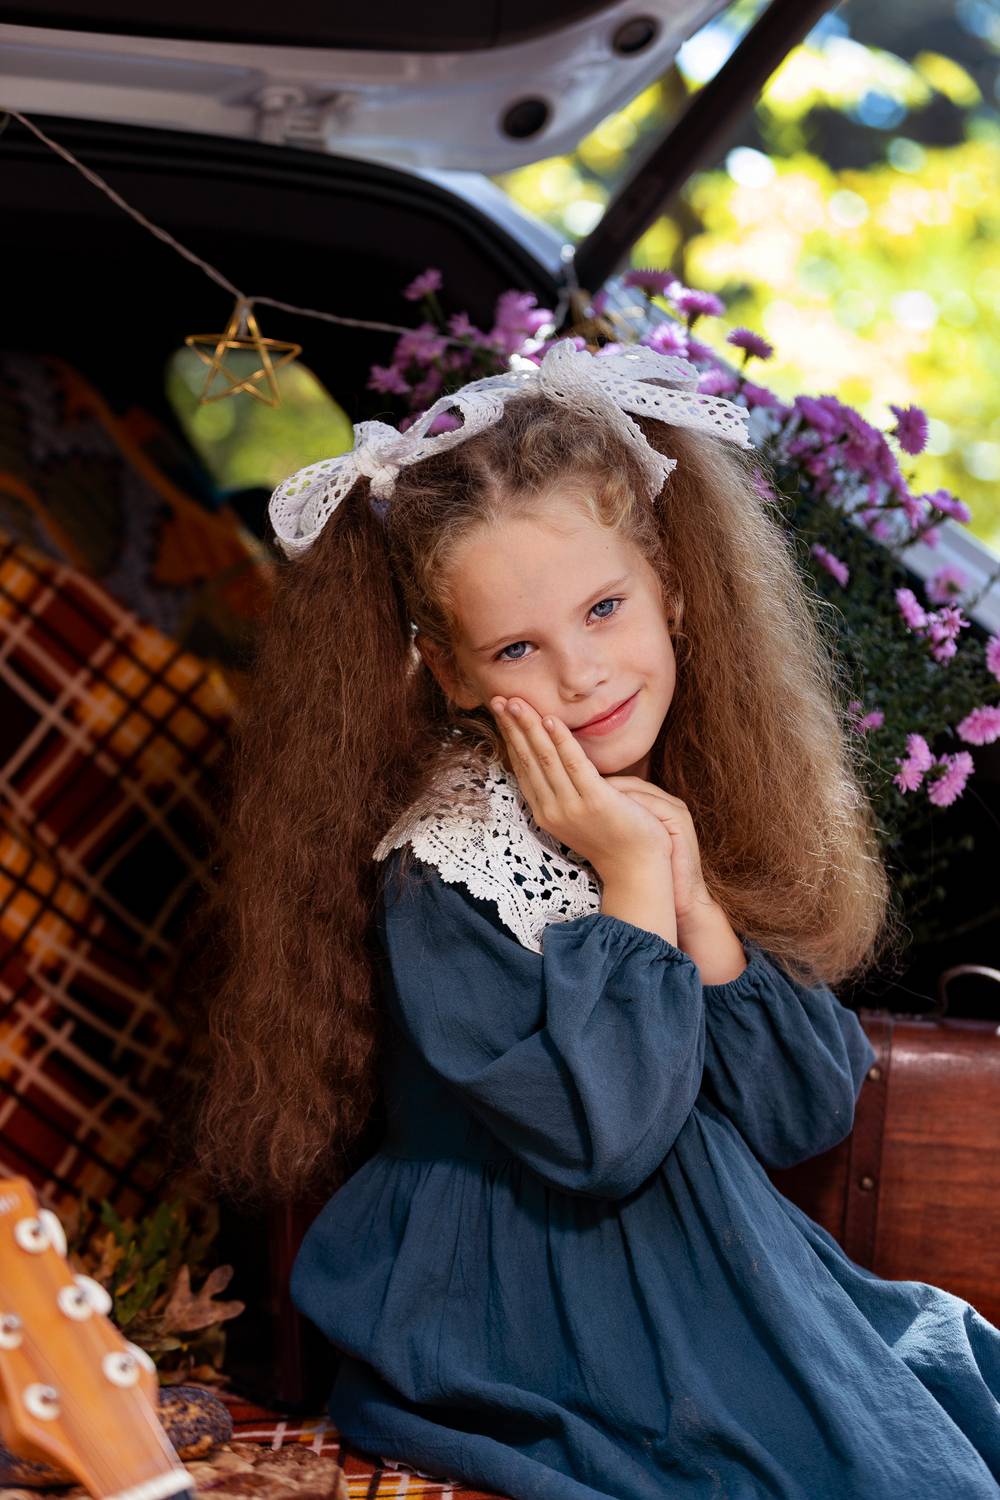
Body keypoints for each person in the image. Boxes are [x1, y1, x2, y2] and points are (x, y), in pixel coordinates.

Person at [196, 340, 1000, 1499]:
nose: (580, 675)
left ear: (671, 589)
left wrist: (695, 904)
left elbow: (805, 1112)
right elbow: (604, 1146)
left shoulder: (661, 802)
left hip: (713, 1266)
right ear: (451, 674)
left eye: (605, 608)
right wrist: (630, 884)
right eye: (518, 648)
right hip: (526, 1300)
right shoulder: (446, 869)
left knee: (948, 1387)